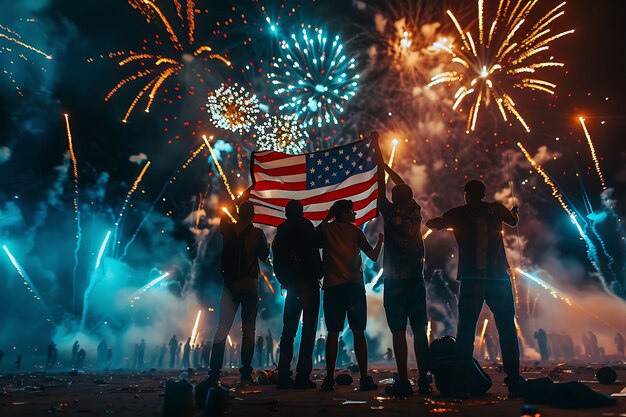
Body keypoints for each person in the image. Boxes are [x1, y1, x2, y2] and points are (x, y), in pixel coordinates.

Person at [425, 180, 523, 398]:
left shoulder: (459, 213)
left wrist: (448, 222)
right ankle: (514, 383)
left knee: (466, 331)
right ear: (484, 193)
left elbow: (432, 224)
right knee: (507, 330)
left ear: (467, 195)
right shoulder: (496, 209)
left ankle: (461, 385)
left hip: (471, 280)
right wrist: (514, 212)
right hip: (498, 278)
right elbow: (513, 222)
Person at [376, 158, 431, 396]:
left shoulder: (388, 211)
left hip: (394, 279)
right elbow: (401, 184)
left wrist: (379, 167)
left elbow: (381, 189)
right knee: (420, 330)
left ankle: (404, 380)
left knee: (398, 330)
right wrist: (387, 167)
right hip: (416, 279)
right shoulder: (415, 211)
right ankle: (424, 380)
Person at [317, 199, 384, 392]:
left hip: (332, 288)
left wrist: (327, 217)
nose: (355, 214)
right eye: (352, 211)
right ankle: (364, 378)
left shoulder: (327, 230)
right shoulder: (355, 232)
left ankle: (329, 379)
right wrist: (380, 240)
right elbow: (373, 256)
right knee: (358, 332)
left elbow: (315, 238)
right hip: (353, 288)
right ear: (345, 213)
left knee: (332, 332)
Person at [208, 201, 270, 386]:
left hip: (230, 285)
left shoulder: (228, 230)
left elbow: (222, 218)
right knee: (249, 330)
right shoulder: (257, 233)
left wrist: (231, 206)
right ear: (252, 215)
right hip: (250, 284)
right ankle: (245, 374)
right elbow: (264, 257)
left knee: (222, 328)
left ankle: (214, 373)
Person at [273, 200, 323, 389]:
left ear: (286, 213)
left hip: (292, 286)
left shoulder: (282, 231)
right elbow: (316, 247)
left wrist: (285, 281)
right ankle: (303, 375)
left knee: (288, 332)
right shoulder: (306, 226)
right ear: (301, 212)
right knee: (309, 330)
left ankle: (284, 374)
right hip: (309, 285)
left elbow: (276, 260)